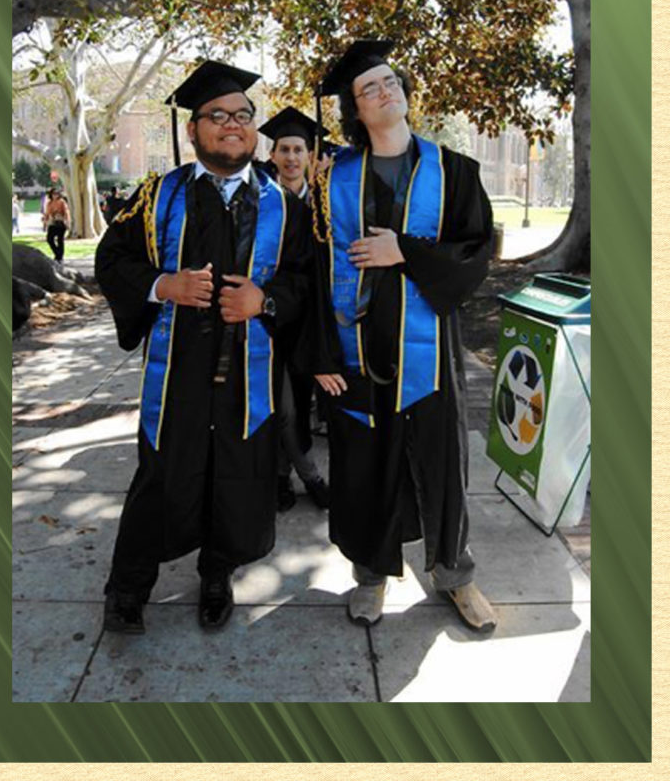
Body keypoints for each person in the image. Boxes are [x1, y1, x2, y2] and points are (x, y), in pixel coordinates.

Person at [95, 60, 311, 634]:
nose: (233, 125)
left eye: (243, 115)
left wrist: (262, 301)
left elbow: (303, 280)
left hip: (248, 369)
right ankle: (127, 587)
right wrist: (164, 285)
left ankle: (217, 574)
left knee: (237, 477)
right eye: (218, 115)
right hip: (180, 364)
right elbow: (112, 260)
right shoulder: (158, 196)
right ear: (194, 130)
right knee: (162, 473)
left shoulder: (285, 207)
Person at [311, 40, 496, 634]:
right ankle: (370, 578)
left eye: (390, 81)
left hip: (430, 355)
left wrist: (404, 252)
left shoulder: (454, 171)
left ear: (405, 93)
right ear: (356, 111)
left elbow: (476, 253)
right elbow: (308, 267)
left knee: (442, 465)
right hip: (355, 350)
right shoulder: (330, 181)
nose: (384, 91)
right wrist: (317, 351)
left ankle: (455, 575)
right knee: (364, 466)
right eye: (369, 88)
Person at [259, 108, 330, 513]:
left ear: (309, 156)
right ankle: (309, 477)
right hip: (273, 321)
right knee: (283, 407)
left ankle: (281, 477)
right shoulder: (262, 203)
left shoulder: (325, 205)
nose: (290, 157)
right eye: (283, 149)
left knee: (301, 405)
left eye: (297, 149)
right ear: (273, 155)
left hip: (314, 322)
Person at [43, 188, 70, 263]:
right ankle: (57, 254)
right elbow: (47, 214)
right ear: (51, 195)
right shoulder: (49, 203)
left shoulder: (62, 202)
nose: (55, 195)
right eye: (54, 194)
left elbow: (66, 212)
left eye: (57, 194)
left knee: (60, 240)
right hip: (53, 223)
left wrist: (67, 222)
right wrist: (45, 223)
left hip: (61, 223)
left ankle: (59, 257)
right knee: (49, 239)